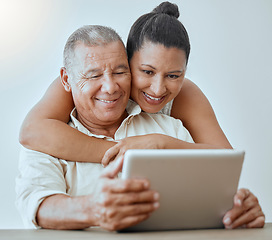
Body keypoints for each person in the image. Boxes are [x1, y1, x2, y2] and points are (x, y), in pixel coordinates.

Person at [18, 2, 265, 229]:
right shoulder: (53, 126)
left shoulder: (175, 124)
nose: (157, 89)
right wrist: (96, 204)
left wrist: (236, 206)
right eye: (147, 71)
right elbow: (38, 200)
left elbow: (223, 168)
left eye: (119, 71)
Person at [16, 25, 194, 230]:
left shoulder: (171, 130)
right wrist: (92, 209)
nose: (110, 87)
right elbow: (39, 206)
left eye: (120, 72)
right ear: (66, 79)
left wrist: (234, 206)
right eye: (94, 76)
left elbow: (206, 194)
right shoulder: (46, 140)